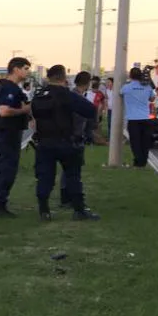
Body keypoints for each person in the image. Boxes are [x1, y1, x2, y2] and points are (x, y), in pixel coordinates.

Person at [31, 65, 100, 221]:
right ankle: (79, 210)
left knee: (44, 177)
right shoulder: (66, 95)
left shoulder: (39, 95)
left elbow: (33, 115)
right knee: (73, 176)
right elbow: (90, 110)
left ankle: (44, 210)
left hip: (44, 142)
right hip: (66, 142)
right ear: (64, 78)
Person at [0, 56, 32, 218]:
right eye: (26, 68)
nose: (28, 72)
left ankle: (0, 203)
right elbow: (4, 111)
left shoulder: (10, 88)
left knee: (6, 170)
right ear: (16, 69)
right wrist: (24, 111)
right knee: (6, 170)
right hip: (6, 135)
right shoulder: (9, 88)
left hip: (7, 135)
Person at [59, 71, 96, 208]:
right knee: (71, 170)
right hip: (74, 136)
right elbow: (80, 118)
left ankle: (68, 196)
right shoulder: (76, 97)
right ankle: (68, 197)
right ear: (87, 83)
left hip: (74, 135)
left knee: (71, 169)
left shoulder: (75, 95)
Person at [121, 67, 156, 168]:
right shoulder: (147, 86)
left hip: (133, 119)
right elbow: (152, 98)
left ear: (130, 76)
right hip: (146, 118)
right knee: (145, 142)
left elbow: (120, 94)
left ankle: (139, 162)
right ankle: (142, 162)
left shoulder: (126, 87)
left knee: (135, 143)